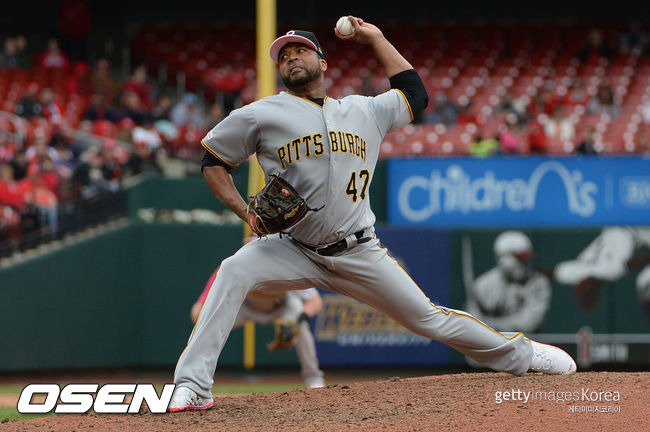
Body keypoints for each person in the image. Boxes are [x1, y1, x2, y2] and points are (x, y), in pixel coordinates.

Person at [167, 17, 576, 413]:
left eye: (301, 51)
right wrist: (247, 214)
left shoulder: (364, 110)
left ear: (322, 63)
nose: (292, 58)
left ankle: (523, 355)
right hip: (291, 246)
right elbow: (213, 158)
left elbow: (416, 95)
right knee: (234, 270)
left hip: (359, 251)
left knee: (429, 318)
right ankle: (192, 386)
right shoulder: (262, 113)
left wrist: (377, 39)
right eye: (284, 55)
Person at [190, 265, 326, 389]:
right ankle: (196, 379)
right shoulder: (235, 267)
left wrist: (296, 323)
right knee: (209, 325)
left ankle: (314, 379)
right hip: (243, 307)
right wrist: (208, 321)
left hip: (282, 308)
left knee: (299, 318)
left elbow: (315, 302)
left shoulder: (287, 267)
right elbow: (197, 313)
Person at [465, 231, 551, 333]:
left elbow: (527, 325)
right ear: (502, 259)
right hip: (489, 346)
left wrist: (488, 324)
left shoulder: (538, 283)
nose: (524, 263)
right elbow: (472, 325)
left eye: (525, 259)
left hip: (527, 345)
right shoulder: (483, 285)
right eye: (519, 258)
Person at [552, 227, 650, 313]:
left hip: (622, 226)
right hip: (635, 230)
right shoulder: (608, 273)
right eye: (587, 295)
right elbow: (633, 264)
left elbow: (550, 273)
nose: (582, 290)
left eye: (582, 295)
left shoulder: (572, 273)